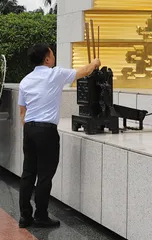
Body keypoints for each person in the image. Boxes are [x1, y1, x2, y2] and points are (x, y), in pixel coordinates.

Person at [17, 43, 101, 228]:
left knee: (28, 173)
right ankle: (41, 216)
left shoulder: (25, 81)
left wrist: (29, 128)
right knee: (45, 175)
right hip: (46, 131)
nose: (54, 57)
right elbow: (83, 72)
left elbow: (22, 112)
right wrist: (95, 62)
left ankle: (25, 216)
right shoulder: (55, 74)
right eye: (52, 54)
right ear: (47, 59)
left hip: (29, 129)